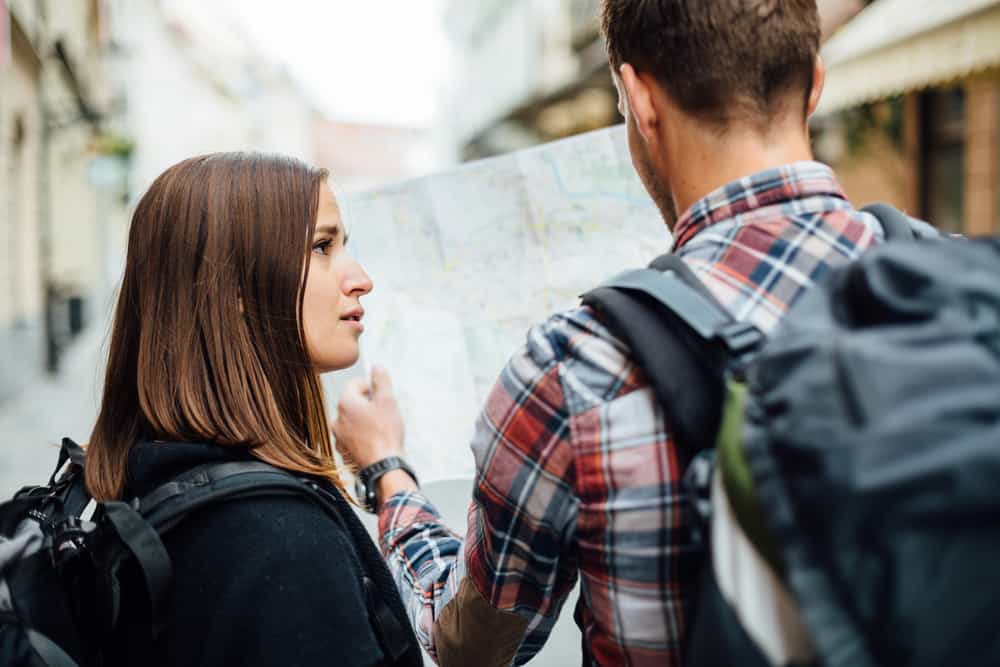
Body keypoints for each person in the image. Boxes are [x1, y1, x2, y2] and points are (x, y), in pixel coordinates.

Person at [333, 1, 884, 665]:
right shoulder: (963, 284)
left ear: (639, 99)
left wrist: (389, 474)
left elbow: (469, 645)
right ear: (816, 82)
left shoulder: (578, 360)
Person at [83, 153, 422, 667]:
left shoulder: (151, 474)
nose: (361, 279)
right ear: (236, 287)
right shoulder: (281, 542)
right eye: (322, 246)